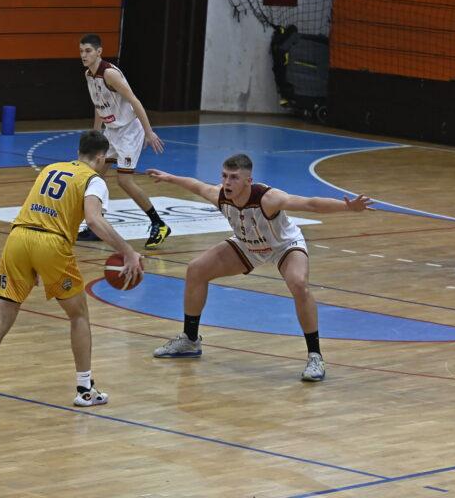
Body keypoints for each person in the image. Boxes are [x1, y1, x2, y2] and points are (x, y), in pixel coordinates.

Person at [0, 130, 143, 411]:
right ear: (101, 158)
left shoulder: (51, 169)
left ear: (79, 152)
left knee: (1, 318)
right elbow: (94, 220)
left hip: (18, 238)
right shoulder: (94, 180)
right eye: (107, 161)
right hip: (51, 243)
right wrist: (128, 251)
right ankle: (85, 390)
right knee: (78, 315)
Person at [146, 154, 374, 381]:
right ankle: (190, 339)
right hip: (248, 245)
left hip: (283, 245)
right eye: (224, 176)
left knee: (298, 283)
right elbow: (196, 185)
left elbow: (310, 204)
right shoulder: (220, 195)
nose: (227, 182)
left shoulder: (269, 199)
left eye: (234, 177)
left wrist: (348, 207)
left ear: (248, 181)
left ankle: (315, 356)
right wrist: (170, 177)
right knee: (196, 269)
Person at [77, 33, 171, 249]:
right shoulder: (88, 74)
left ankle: (159, 224)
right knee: (95, 175)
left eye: (88, 51)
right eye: (81, 51)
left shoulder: (109, 74)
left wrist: (148, 132)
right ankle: (97, 226)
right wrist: (96, 133)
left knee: (124, 181)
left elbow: (135, 101)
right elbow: (99, 105)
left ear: (99, 52)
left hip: (129, 131)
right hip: (111, 131)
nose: (84, 55)